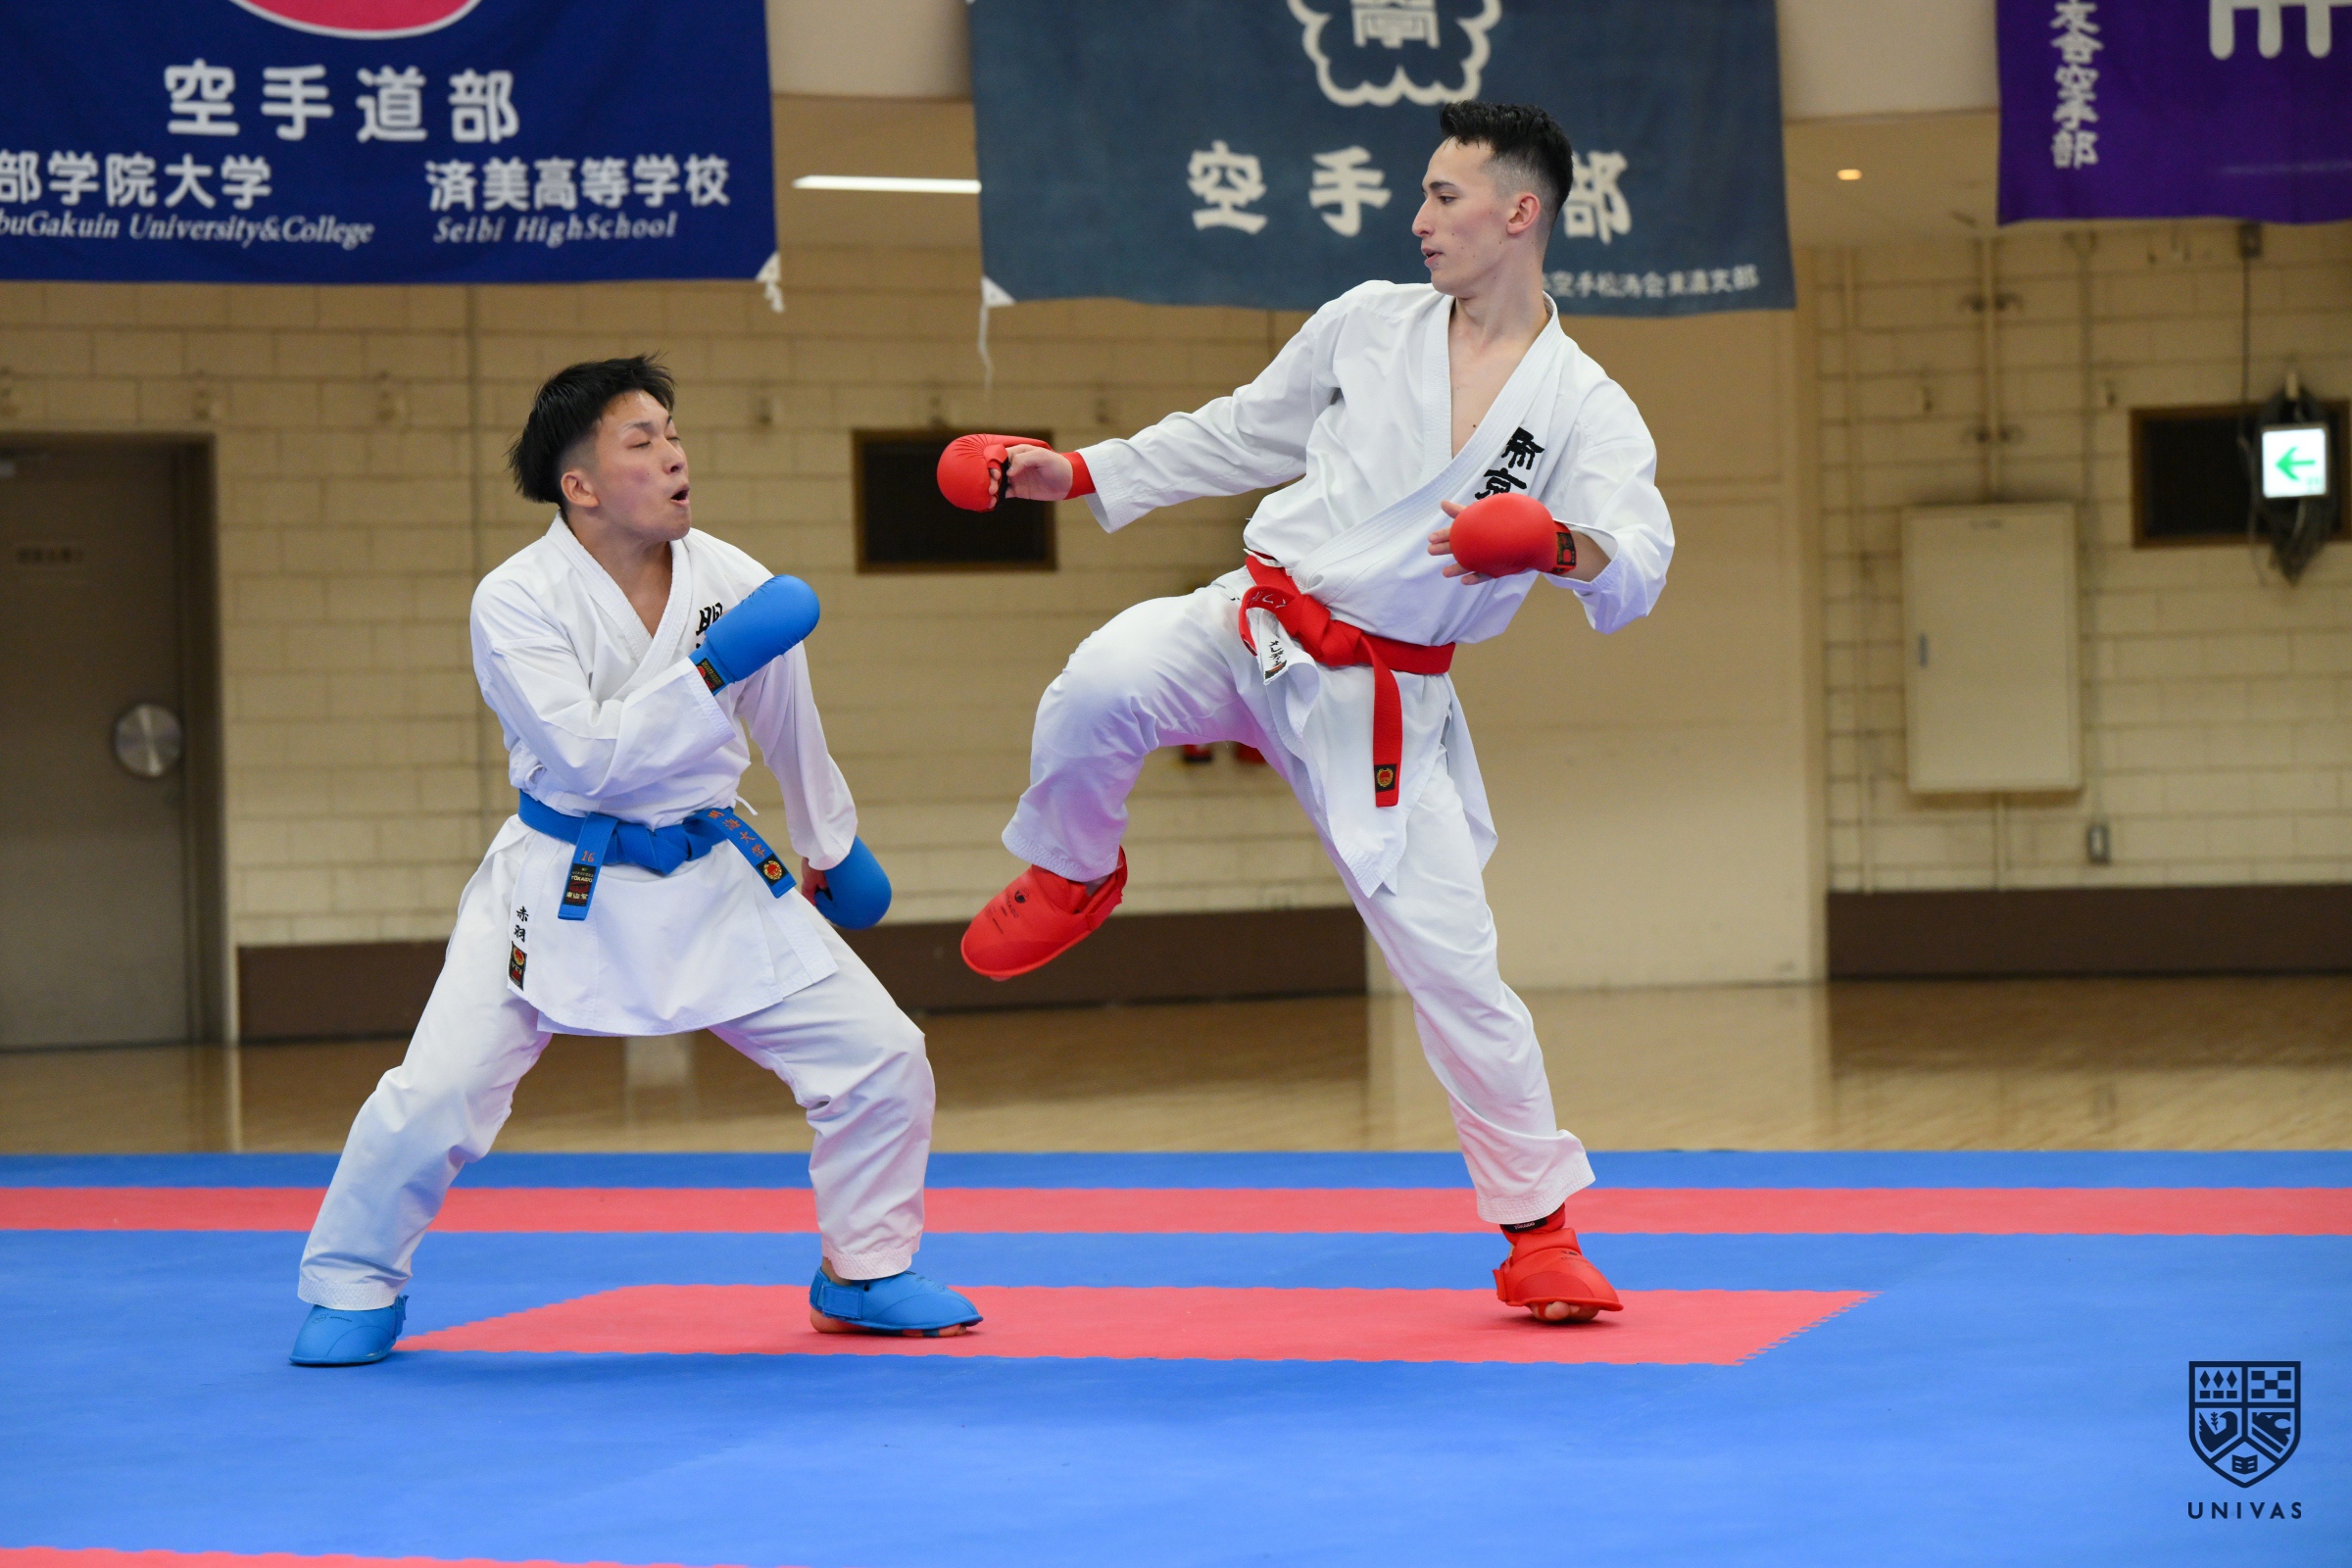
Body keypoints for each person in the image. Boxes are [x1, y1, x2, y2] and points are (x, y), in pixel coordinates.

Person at [939, 104, 1673, 1323]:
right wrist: (1081, 472)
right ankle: (1073, 870)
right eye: (1422, 194)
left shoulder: (1587, 407)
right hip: (1256, 620)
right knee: (1099, 680)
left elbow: (1637, 563)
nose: (1419, 217)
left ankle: (1539, 1232)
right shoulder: (1367, 321)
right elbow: (1242, 431)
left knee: (1456, 967)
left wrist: (1553, 543)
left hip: (1382, 698)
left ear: (1520, 212)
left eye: (1444, 196)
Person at [288, 356, 978, 1365]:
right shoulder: (516, 598)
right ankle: (353, 1280)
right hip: (563, 874)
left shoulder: (731, 578)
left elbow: (789, 721)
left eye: (674, 434)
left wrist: (830, 842)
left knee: (882, 1055)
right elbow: (585, 755)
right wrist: (706, 670)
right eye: (642, 441)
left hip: (714, 863)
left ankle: (866, 1269)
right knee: (436, 1095)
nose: (674, 456)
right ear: (581, 484)